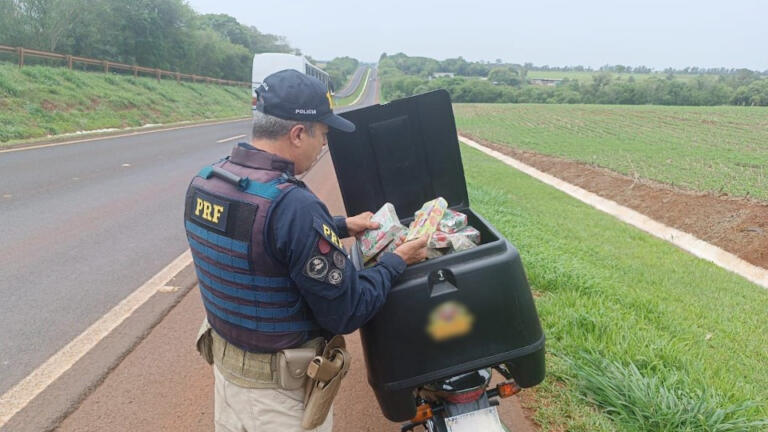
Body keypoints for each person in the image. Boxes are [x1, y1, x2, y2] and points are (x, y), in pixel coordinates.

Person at [183, 69, 428, 432]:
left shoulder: (208, 181)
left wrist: (341, 226)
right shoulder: (294, 207)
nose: (323, 148)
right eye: (324, 137)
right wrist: (397, 260)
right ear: (299, 134)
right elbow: (347, 311)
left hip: (230, 379)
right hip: (277, 402)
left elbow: (262, 245)